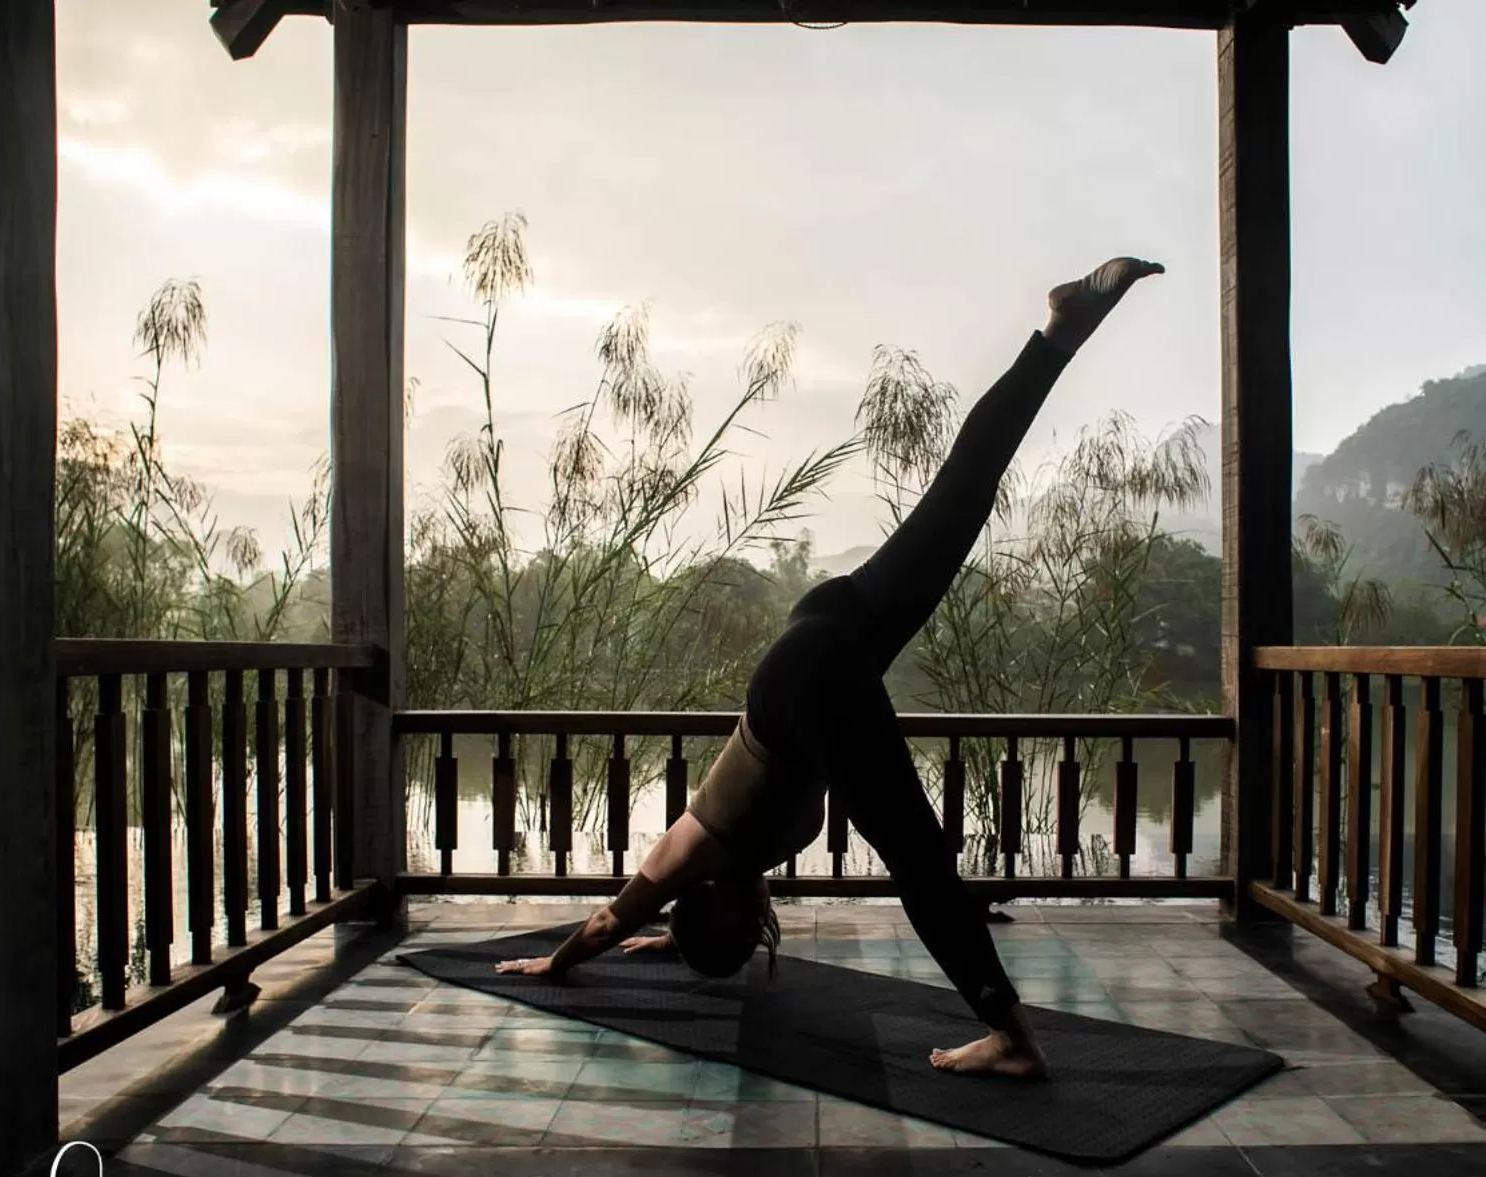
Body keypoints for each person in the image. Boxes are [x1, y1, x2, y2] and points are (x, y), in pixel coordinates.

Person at [496, 257, 1167, 1079]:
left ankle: (1013, 1037)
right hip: (827, 631)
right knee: (963, 494)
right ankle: (1061, 330)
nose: (765, 923)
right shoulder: (716, 875)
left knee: (916, 860)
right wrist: (661, 933)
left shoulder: (687, 853)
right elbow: (649, 925)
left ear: (718, 911)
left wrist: (555, 964)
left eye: (745, 933)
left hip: (807, 682)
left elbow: (607, 920)